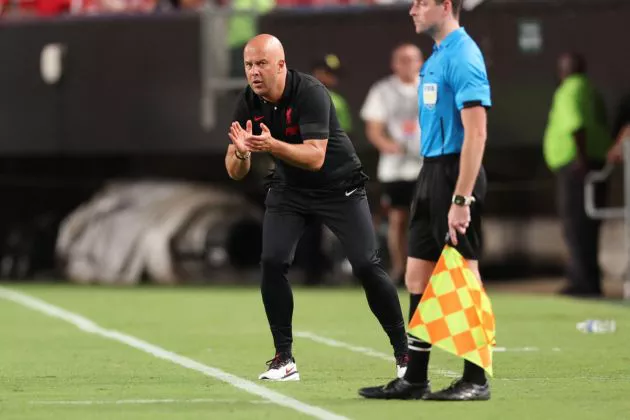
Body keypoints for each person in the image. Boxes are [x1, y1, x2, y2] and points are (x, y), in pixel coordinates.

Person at [225, 34, 408, 381]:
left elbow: (315, 157)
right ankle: (284, 359)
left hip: (339, 186)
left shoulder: (310, 92)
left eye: (261, 63)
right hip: (290, 189)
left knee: (367, 266)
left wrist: (272, 145)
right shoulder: (248, 101)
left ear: (280, 64)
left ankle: (405, 355)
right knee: (272, 261)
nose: (254, 72)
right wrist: (242, 151)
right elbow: (235, 171)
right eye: (248, 65)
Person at [358, 0, 492, 401]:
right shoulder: (436, 57)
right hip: (430, 172)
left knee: (464, 277)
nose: (413, 9)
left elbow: (477, 135)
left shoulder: (464, 55)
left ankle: (476, 379)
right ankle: (415, 378)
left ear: (446, 6)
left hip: (455, 173)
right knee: (417, 277)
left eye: (421, 2)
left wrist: (462, 197)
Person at [543, 52, 612, 297]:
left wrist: (580, 158)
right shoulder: (590, 90)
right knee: (588, 224)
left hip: (576, 167)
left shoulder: (569, 91)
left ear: (565, 70)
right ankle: (589, 280)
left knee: (575, 225)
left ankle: (582, 282)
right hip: (594, 164)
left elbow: (576, 124)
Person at [360, 43, 424, 285]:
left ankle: (425, 269)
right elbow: (374, 128)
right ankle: (400, 268)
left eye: (413, 59)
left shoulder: (429, 86)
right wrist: (389, 145)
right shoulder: (383, 90)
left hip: (424, 166)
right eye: (403, 60)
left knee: (425, 219)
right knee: (398, 218)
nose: (408, 65)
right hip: (395, 169)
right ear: (394, 63)